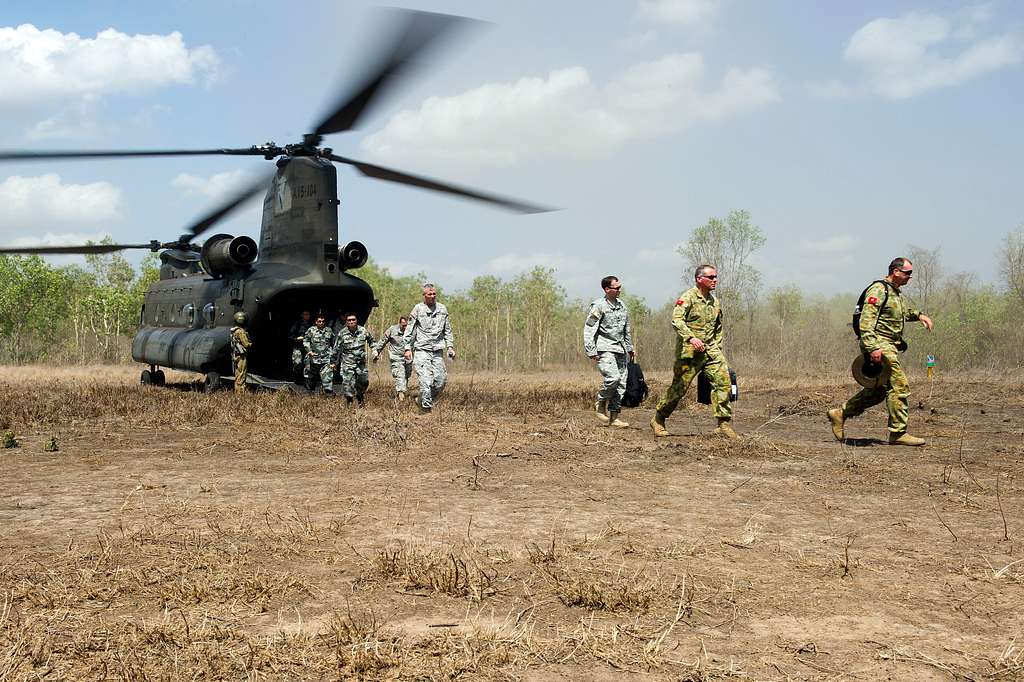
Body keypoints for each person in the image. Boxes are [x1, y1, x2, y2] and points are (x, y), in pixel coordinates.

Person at [828, 257, 934, 446]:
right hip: (879, 344)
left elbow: (900, 313)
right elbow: (866, 321)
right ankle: (898, 433)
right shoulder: (878, 289)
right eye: (908, 273)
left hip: (887, 344)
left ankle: (841, 413)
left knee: (878, 392)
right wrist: (872, 347)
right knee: (899, 386)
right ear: (896, 271)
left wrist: (919, 315)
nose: (910, 277)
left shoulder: (894, 293)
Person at [650, 265, 739, 439]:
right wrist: (691, 338)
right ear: (699, 279)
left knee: (723, 382)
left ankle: (724, 424)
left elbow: (718, 327)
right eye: (711, 277)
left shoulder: (715, 302)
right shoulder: (688, 297)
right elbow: (676, 320)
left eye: (715, 277)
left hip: (711, 350)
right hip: (689, 352)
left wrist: (717, 348)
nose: (715, 280)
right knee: (679, 388)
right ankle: (658, 419)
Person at [583, 276, 634, 428]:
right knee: (613, 378)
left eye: (620, 287)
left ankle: (614, 417)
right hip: (605, 349)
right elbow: (589, 329)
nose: (619, 290)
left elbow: (626, 329)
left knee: (621, 384)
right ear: (607, 289)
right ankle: (600, 402)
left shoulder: (622, 305)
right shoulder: (598, 306)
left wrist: (630, 348)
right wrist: (591, 350)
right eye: (616, 288)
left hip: (620, 349)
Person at [403, 283, 455, 413]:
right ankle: (426, 410)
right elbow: (409, 330)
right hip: (422, 351)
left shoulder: (442, 309)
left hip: (437, 351)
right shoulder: (418, 309)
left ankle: (421, 398)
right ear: (424, 296)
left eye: (434, 294)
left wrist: (450, 347)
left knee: (440, 381)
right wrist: (407, 348)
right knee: (426, 382)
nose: (432, 296)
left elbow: (447, 330)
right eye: (429, 294)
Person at [334, 312, 375, 405]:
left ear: (356, 321)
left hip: (360, 363)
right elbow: (336, 349)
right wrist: (333, 362)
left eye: (353, 320)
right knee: (347, 384)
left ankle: (360, 395)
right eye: (349, 320)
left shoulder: (363, 331)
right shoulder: (342, 333)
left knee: (364, 381)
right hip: (347, 363)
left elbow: (372, 342)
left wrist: (375, 351)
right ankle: (349, 401)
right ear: (346, 322)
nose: (351, 322)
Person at [373, 315, 414, 400]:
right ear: (399, 323)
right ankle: (401, 397)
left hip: (408, 358)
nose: (405, 327)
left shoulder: (412, 331)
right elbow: (383, 341)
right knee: (400, 374)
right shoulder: (392, 330)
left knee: (406, 375)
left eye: (407, 325)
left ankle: (402, 391)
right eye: (403, 325)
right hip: (396, 357)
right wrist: (377, 351)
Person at [303, 313, 336, 395]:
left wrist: (333, 355)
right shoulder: (311, 330)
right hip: (313, 358)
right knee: (311, 377)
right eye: (319, 321)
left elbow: (333, 342)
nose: (321, 323)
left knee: (327, 377)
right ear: (316, 322)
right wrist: (309, 350)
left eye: (323, 321)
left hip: (326, 358)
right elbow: (306, 341)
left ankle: (328, 393)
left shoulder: (329, 330)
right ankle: (310, 393)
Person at [230, 311, 252, 394]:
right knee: (242, 374)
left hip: (236, 355)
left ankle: (237, 391)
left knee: (237, 374)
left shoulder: (234, 331)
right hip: (242, 356)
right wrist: (250, 343)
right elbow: (246, 344)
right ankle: (241, 393)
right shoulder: (241, 331)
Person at [288, 310, 313, 382]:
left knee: (308, 365)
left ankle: (306, 381)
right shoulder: (297, 324)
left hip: (308, 348)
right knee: (297, 363)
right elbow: (290, 336)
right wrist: (297, 338)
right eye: (305, 314)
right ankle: (297, 377)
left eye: (308, 314)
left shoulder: (311, 325)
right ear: (302, 315)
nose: (307, 316)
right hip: (298, 346)